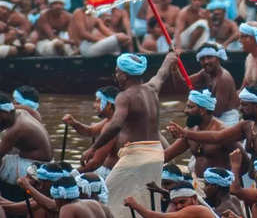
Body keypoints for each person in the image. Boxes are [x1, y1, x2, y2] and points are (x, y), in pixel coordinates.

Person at [82, 52, 177, 218]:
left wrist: (93, 148)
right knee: (145, 199)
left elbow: (116, 124)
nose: (116, 75)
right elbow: (162, 73)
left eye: (117, 72)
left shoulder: (124, 97)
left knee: (105, 195)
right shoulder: (152, 88)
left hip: (136, 156)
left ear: (124, 75)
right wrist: (170, 58)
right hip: (156, 154)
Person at [167, 84, 257, 173]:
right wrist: (185, 133)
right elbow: (217, 137)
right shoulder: (247, 125)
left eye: (244, 105)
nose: (240, 108)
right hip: (256, 181)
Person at [164, 89, 234, 187]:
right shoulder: (190, 130)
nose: (185, 111)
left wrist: (232, 188)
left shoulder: (222, 132)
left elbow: (243, 161)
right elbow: (167, 155)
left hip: (220, 187)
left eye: (190, 107)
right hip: (198, 184)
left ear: (202, 111)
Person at [62, 86, 119, 179]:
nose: (94, 105)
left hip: (111, 175)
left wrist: (72, 175)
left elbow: (96, 162)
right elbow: (90, 131)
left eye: (98, 101)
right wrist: (73, 123)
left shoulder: (112, 125)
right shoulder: (110, 119)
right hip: (105, 170)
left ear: (108, 104)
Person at [0, 92, 52, 186]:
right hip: (40, 163)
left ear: (5, 112)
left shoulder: (15, 130)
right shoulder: (22, 112)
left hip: (35, 169)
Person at [190, 43, 238, 125]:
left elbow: (217, 112)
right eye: (202, 59)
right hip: (211, 115)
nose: (206, 62)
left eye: (209, 57)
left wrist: (196, 108)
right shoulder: (205, 72)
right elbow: (184, 82)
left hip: (227, 120)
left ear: (218, 58)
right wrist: (175, 67)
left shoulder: (223, 79)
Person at [124, 182, 214, 218]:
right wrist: (162, 191)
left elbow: (157, 217)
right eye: (175, 203)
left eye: (182, 202)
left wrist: (135, 205)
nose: (179, 206)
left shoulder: (197, 210)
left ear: (194, 198)